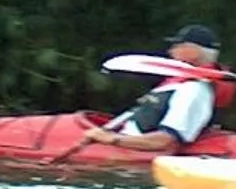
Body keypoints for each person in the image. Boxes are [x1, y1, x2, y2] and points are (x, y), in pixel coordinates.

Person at [81, 24, 228, 155]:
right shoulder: (178, 84)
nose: (171, 51)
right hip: (126, 143)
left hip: (134, 160)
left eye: (177, 46)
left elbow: (165, 141)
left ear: (193, 51)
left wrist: (112, 139)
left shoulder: (194, 90)